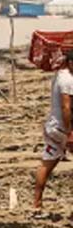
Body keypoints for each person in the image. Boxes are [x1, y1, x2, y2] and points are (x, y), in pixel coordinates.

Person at [33, 49, 73, 210]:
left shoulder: (60, 75)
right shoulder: (68, 80)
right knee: (48, 164)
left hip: (53, 126)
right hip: (61, 128)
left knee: (47, 163)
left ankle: (37, 202)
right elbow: (66, 107)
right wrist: (70, 133)